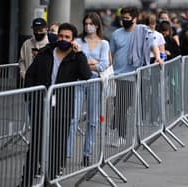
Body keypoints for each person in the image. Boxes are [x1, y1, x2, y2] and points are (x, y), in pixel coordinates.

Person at [21, 23, 91, 186]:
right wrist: (30, 98)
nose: (63, 39)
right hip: (41, 106)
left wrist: (80, 53)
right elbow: (30, 75)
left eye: (67, 37)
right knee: (36, 144)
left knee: (58, 144)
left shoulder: (76, 57)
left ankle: (50, 180)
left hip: (62, 108)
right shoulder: (46, 52)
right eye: (61, 36)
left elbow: (86, 75)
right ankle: (26, 180)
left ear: (73, 40)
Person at [110, 6, 163, 146]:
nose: (124, 21)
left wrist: (158, 57)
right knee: (121, 107)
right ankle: (121, 135)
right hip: (121, 76)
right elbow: (112, 54)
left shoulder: (143, 31)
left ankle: (137, 136)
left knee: (135, 107)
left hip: (137, 75)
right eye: (123, 18)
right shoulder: (116, 34)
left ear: (135, 18)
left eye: (127, 18)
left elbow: (153, 45)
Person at [68, 12, 110, 166]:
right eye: (85, 23)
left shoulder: (104, 43)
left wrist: (86, 63)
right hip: (79, 80)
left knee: (93, 120)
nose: (87, 26)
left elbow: (104, 65)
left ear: (97, 25)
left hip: (94, 81)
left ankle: (87, 153)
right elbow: (74, 61)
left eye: (91, 24)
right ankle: (68, 153)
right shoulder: (78, 41)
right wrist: (90, 63)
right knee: (73, 117)